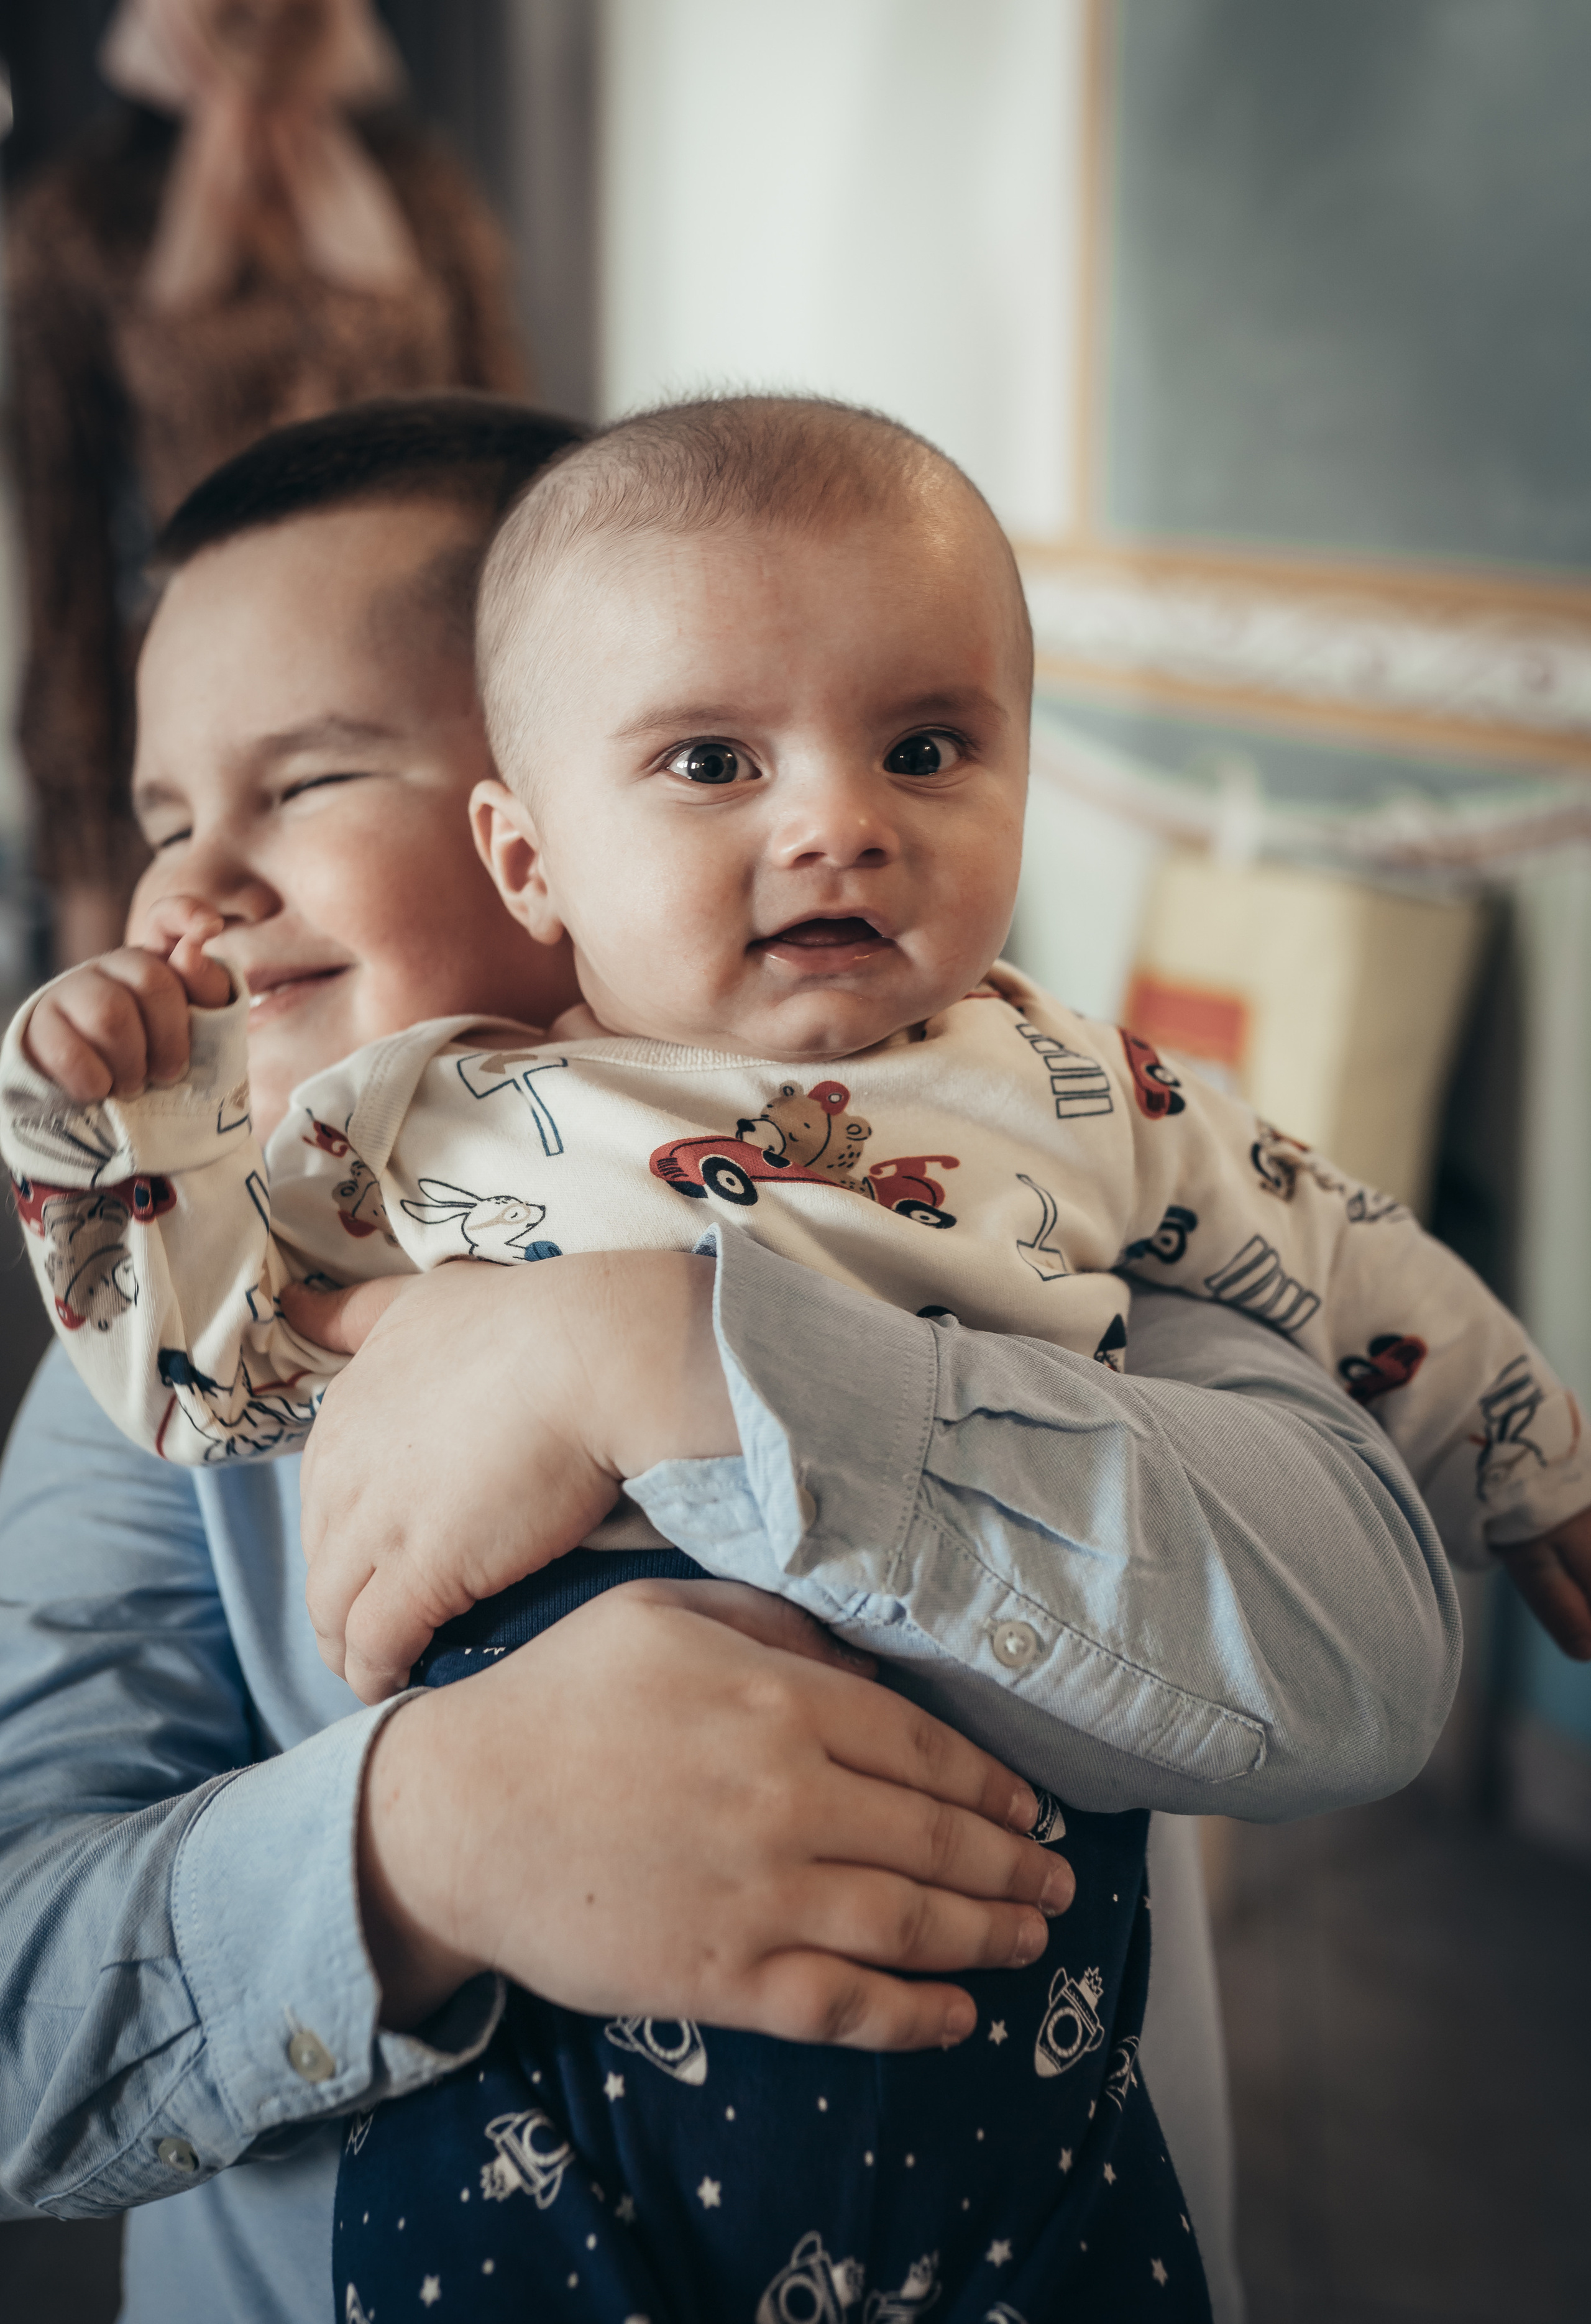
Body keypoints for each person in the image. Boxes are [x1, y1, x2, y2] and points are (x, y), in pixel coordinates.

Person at [0, 396, 1475, 2315]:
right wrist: (423, 1841)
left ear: (544, 821)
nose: (198, 885)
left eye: (308, 779)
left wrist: (663, 1354)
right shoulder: (199, 1346)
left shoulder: (1006, 1183)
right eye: (170, 818)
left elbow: (1366, 1659)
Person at [6, 0, 528, 966]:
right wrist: (88, 871)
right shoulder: (74, 226)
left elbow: (524, 470)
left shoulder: (427, 194)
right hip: (191, 700)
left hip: (422, 672)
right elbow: (63, 561)